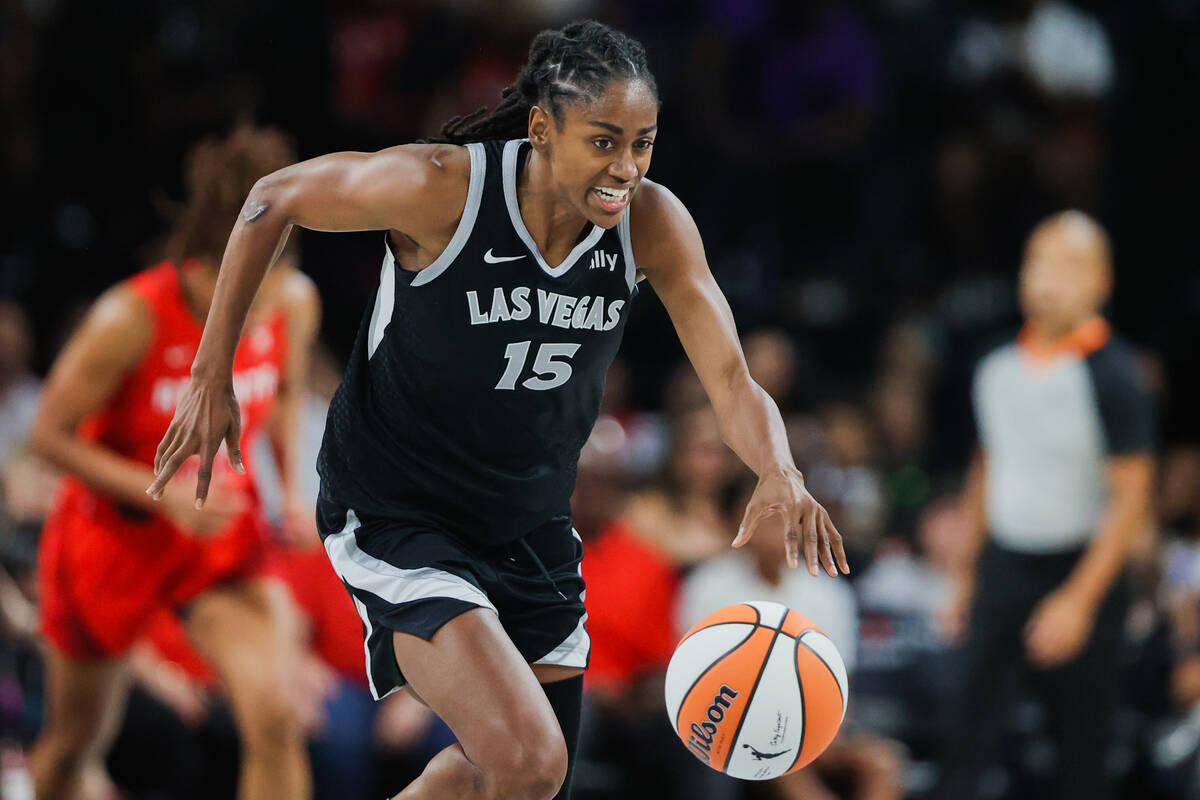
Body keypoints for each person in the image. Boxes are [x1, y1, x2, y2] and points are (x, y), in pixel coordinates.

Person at [147, 20, 849, 800]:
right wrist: (213, 370)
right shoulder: (443, 188)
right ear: (543, 128)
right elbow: (270, 199)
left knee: (516, 779)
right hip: (397, 511)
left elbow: (731, 379)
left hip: (527, 525)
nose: (627, 168)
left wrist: (778, 468)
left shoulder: (652, 224)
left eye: (643, 144)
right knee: (530, 758)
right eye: (605, 141)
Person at [29, 125, 321, 800]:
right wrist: (156, 492)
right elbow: (48, 435)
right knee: (74, 747)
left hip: (216, 534)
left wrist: (295, 490)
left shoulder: (295, 303)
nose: (256, 318)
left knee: (276, 716)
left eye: (267, 295)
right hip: (113, 535)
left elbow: (284, 398)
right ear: (200, 272)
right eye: (240, 302)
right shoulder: (127, 318)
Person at [937, 210, 1156, 799]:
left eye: (1068, 265)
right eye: (1037, 261)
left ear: (1101, 282)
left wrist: (1079, 602)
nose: (1047, 278)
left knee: (1080, 748)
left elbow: (1132, 497)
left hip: (1082, 568)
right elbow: (987, 467)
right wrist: (962, 574)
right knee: (966, 733)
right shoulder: (995, 366)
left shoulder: (1115, 376)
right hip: (1005, 564)